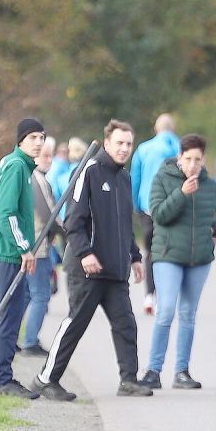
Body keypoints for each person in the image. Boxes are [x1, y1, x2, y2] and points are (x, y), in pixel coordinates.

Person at [31, 119, 152, 400]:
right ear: (107, 142)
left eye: (128, 144)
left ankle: (129, 380)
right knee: (76, 324)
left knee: (126, 324)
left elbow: (125, 224)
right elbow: (73, 220)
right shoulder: (88, 170)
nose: (124, 149)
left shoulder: (124, 177)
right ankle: (46, 379)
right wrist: (85, 252)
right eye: (119, 143)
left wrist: (134, 256)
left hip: (115, 270)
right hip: (87, 267)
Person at [138, 134, 216, 390]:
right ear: (180, 158)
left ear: (203, 160)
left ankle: (182, 371)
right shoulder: (163, 178)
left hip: (199, 258)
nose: (193, 164)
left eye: (197, 159)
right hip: (169, 255)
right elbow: (159, 215)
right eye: (188, 159)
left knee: (188, 314)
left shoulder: (209, 185)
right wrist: (182, 194)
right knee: (166, 310)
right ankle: (153, 370)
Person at [0, 118, 46, 398]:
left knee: (1, 316)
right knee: (9, 317)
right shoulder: (16, 166)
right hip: (8, 254)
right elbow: (6, 213)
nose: (39, 143)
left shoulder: (20, 166)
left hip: (7, 252)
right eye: (33, 137)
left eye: (42, 137)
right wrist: (24, 249)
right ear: (20, 140)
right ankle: (4, 380)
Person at [20, 137, 65, 357]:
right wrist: (68, 231)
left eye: (51, 155)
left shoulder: (35, 179)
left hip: (35, 246)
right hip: (39, 248)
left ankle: (18, 339)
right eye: (45, 156)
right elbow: (50, 216)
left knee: (29, 295)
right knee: (41, 295)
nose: (49, 160)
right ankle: (29, 342)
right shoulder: (38, 181)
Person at [131, 113, 180, 315]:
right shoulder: (180, 147)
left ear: (156, 128)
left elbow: (135, 178)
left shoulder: (143, 149)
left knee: (150, 251)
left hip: (148, 205)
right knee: (169, 251)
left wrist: (134, 204)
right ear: (173, 128)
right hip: (173, 206)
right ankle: (164, 295)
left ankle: (149, 295)